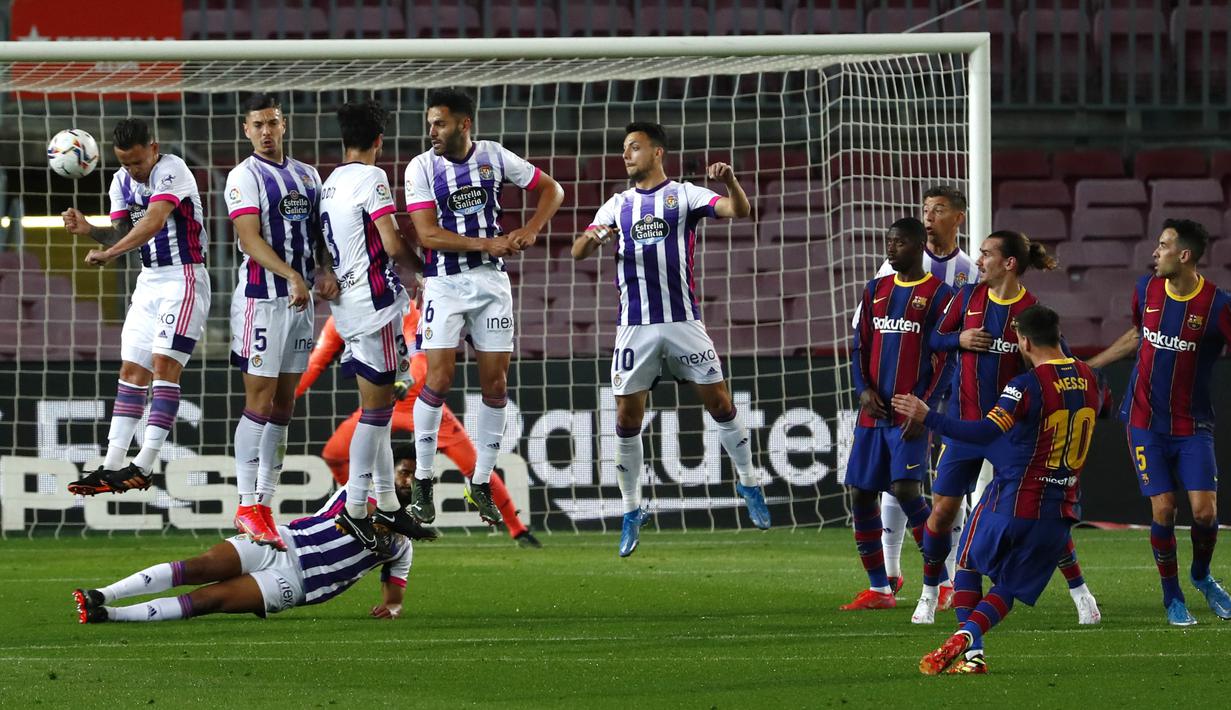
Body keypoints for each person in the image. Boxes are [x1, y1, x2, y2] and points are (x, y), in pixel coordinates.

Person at [572, 121, 769, 558]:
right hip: (635, 326)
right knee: (626, 418)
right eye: (624, 148)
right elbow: (577, 251)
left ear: (657, 152)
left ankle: (749, 482)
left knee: (720, 403)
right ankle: (631, 509)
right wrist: (593, 238)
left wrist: (730, 181)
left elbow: (738, 210)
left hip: (683, 322)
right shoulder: (617, 204)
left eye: (634, 147)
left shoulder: (685, 195)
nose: (626, 155)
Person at [894, 304, 1103, 675]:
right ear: (1058, 336)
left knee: (967, 565)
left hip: (1014, 497)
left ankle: (972, 652)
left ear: (1024, 342)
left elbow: (984, 432)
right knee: (1007, 586)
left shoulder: (1025, 386)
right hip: (1060, 508)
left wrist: (930, 416)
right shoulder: (1089, 377)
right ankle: (968, 638)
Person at [913, 230, 1100, 628]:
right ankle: (931, 591)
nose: (978, 261)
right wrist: (959, 339)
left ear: (1009, 263)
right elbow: (933, 338)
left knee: (1036, 509)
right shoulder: (967, 298)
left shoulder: (1031, 311)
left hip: (1011, 433)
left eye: (985, 254)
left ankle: (1080, 591)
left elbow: (1058, 361)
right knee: (942, 512)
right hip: (966, 425)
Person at [404, 88, 563, 527]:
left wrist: (531, 229)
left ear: (464, 124)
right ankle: (422, 483)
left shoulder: (493, 155)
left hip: (491, 283)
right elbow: (427, 234)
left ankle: (480, 483)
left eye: (440, 123)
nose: (432, 131)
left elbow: (552, 189)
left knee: (495, 384)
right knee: (438, 378)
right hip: (444, 284)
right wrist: (485, 243)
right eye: (430, 124)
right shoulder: (421, 167)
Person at [73, 445, 432, 624]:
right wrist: (412, 525)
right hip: (280, 543)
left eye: (414, 477)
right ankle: (102, 594)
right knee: (198, 567)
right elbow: (369, 513)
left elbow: (394, 595)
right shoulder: (358, 492)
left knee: (208, 600)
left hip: (297, 583)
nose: (408, 481)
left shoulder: (402, 548)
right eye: (404, 472)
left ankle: (112, 615)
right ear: (389, 474)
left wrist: (392, 608)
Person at [1087, 219, 1231, 625]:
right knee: (1164, 509)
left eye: (1163, 245)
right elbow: (1138, 335)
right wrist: (1091, 365)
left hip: (1193, 425)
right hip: (1144, 420)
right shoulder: (1146, 289)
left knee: (1205, 513)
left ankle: (1201, 576)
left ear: (1183, 255)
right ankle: (1173, 598)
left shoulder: (1218, 305)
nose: (1155, 251)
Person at [296, 310, 542, 547]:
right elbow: (315, 364)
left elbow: (420, 358)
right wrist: (287, 399)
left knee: (474, 467)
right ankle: (363, 507)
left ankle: (517, 529)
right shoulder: (339, 317)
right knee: (335, 454)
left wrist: (406, 381)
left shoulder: (401, 308)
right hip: (380, 402)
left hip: (418, 402)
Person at [65, 119, 211, 496]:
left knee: (164, 367)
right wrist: (89, 229)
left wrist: (110, 253)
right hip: (148, 282)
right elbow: (120, 232)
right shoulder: (120, 181)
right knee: (131, 371)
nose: (132, 169)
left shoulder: (172, 170)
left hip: (184, 278)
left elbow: (154, 220)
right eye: (125, 163)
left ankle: (143, 465)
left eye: (137, 162)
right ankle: (110, 466)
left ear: (153, 148)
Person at [224, 92, 338, 551]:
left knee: (285, 405)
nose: (266, 132)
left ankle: (265, 504)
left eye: (272, 123)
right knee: (260, 400)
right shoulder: (244, 176)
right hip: (262, 301)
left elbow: (319, 234)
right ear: (246, 130)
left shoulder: (308, 175)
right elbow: (249, 239)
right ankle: (245, 503)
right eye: (258, 125)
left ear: (283, 124)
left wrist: (324, 269)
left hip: (300, 303)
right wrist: (292, 274)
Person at [859, 186, 979, 601]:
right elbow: (866, 329)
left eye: (939, 209)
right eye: (925, 209)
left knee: (948, 483)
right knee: (897, 481)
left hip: (955, 389)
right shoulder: (895, 264)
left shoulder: (969, 270)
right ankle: (893, 573)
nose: (929, 216)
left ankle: (951, 575)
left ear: (958, 218)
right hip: (903, 388)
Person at [318, 99, 422, 550]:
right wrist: (424, 272)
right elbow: (392, 243)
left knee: (378, 412)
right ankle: (356, 508)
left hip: (349, 307)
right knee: (376, 415)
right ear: (380, 140)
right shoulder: (372, 178)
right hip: (374, 304)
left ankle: (390, 505)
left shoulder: (330, 182)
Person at [842, 217, 953, 610]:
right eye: (889, 241)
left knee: (906, 491)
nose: (891, 248)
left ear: (920, 246)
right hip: (873, 412)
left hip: (910, 414)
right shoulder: (875, 290)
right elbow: (859, 346)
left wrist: (925, 409)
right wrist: (862, 389)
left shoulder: (939, 294)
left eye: (900, 242)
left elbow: (946, 359)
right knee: (860, 492)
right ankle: (880, 589)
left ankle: (943, 581)